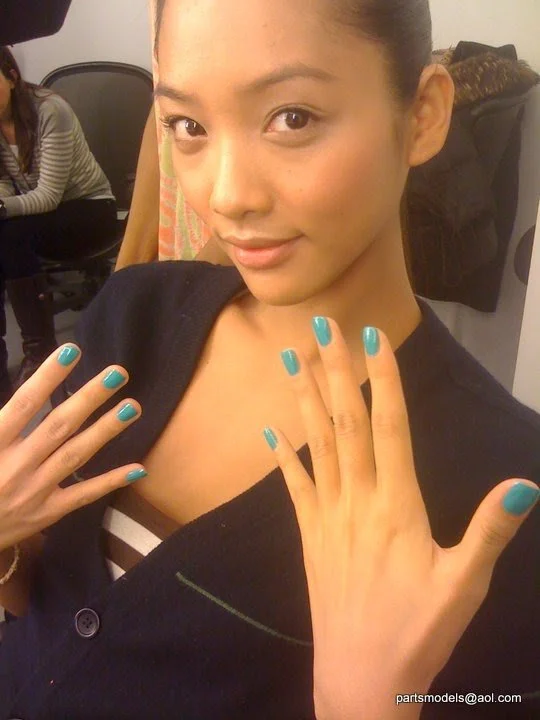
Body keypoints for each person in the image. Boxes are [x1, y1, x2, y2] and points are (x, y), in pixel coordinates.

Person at [0, 1, 539, 718]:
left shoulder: (501, 481)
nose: (228, 196)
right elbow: (41, 606)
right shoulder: (134, 314)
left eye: (292, 118)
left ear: (423, 115)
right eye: (188, 126)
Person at [0, 46, 118, 404]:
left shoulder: (49, 109)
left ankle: (40, 353)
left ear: (11, 76)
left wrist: (2, 207)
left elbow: (49, 196)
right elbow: (4, 185)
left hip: (89, 210)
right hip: (35, 217)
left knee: (9, 234)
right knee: (7, 234)